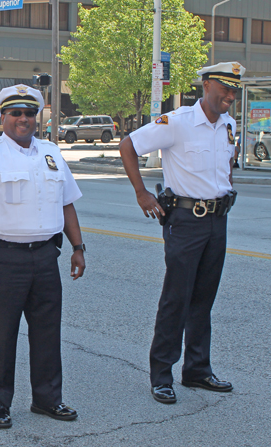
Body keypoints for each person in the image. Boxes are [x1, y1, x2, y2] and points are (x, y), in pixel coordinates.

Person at [0, 84, 86, 428]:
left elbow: (67, 202)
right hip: (4, 257)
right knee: (1, 333)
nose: (24, 119)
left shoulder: (52, 153)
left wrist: (78, 247)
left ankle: (48, 399)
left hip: (46, 256)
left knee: (48, 331)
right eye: (16, 113)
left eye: (30, 113)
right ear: (2, 118)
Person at [119, 61, 244, 405]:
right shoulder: (177, 122)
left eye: (235, 91)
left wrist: (225, 190)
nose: (230, 97)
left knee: (204, 298)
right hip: (186, 221)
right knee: (177, 298)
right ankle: (162, 374)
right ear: (206, 86)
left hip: (218, 220)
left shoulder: (229, 125)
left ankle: (197, 369)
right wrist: (141, 193)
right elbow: (128, 145)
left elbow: (226, 167)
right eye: (225, 89)